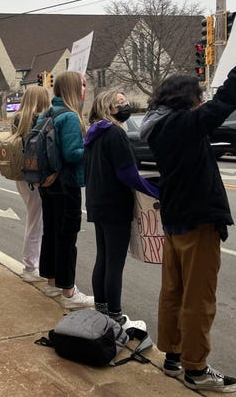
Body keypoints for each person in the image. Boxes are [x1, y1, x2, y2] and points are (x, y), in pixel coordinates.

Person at [139, 33, 236, 393]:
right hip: (197, 222)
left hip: (175, 221)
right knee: (199, 298)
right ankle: (197, 369)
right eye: (199, 96)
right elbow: (228, 98)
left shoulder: (160, 127)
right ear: (187, 99)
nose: (203, 100)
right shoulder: (184, 124)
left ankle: (174, 355)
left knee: (173, 292)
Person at [84, 90, 158, 330]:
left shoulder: (94, 134)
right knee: (114, 261)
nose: (125, 105)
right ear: (108, 108)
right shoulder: (115, 134)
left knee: (103, 258)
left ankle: (102, 310)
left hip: (98, 201)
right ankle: (115, 316)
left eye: (125, 101)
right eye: (119, 102)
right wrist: (155, 191)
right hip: (115, 204)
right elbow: (127, 174)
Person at [36, 70, 94, 309]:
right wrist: (90, 145)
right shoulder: (69, 117)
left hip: (47, 183)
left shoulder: (47, 114)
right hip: (65, 183)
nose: (84, 89)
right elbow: (72, 154)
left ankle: (52, 282)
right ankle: (69, 292)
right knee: (68, 236)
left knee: (51, 232)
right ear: (71, 88)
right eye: (81, 85)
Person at [11, 85, 51, 282]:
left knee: (34, 220)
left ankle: (31, 263)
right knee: (36, 223)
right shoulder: (40, 120)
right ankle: (30, 266)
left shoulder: (19, 119)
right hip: (35, 178)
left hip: (21, 176)